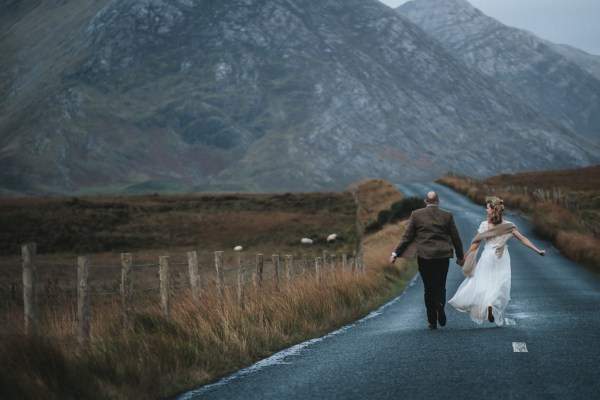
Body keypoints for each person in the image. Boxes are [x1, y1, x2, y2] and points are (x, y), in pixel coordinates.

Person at [448, 196, 546, 326]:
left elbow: (476, 244)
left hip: (488, 256)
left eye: (488, 208)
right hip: (502, 257)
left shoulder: (484, 225)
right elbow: (522, 238)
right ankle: (491, 304)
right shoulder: (508, 225)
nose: (486, 210)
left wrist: (465, 257)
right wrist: (537, 250)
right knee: (500, 283)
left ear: (493, 209)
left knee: (485, 282)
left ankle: (487, 303)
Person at [390, 191, 465, 330]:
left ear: (425, 201)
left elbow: (407, 236)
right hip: (442, 256)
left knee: (428, 288)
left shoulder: (416, 215)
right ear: (438, 201)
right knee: (440, 285)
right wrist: (461, 256)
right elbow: (456, 237)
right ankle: (440, 304)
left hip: (424, 257)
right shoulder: (447, 215)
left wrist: (395, 252)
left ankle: (432, 321)